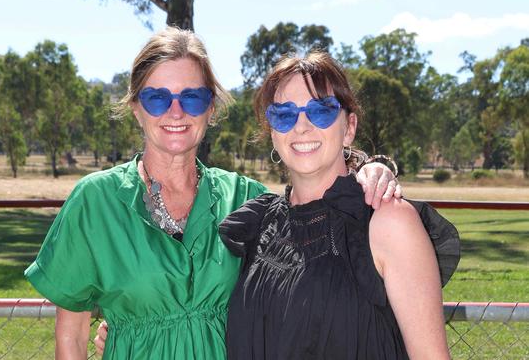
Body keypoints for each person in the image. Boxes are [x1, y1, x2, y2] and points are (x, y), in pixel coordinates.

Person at [25, 27, 403, 360]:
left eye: (192, 98)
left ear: (210, 108)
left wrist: (373, 166)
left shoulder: (247, 202)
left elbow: (318, 207)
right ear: (137, 108)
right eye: (157, 98)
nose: (176, 112)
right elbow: (72, 338)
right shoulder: (95, 202)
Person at [218, 52, 460, 359]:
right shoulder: (259, 225)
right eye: (284, 114)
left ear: (349, 128)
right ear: (272, 132)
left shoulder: (388, 222)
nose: (301, 126)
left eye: (320, 111)